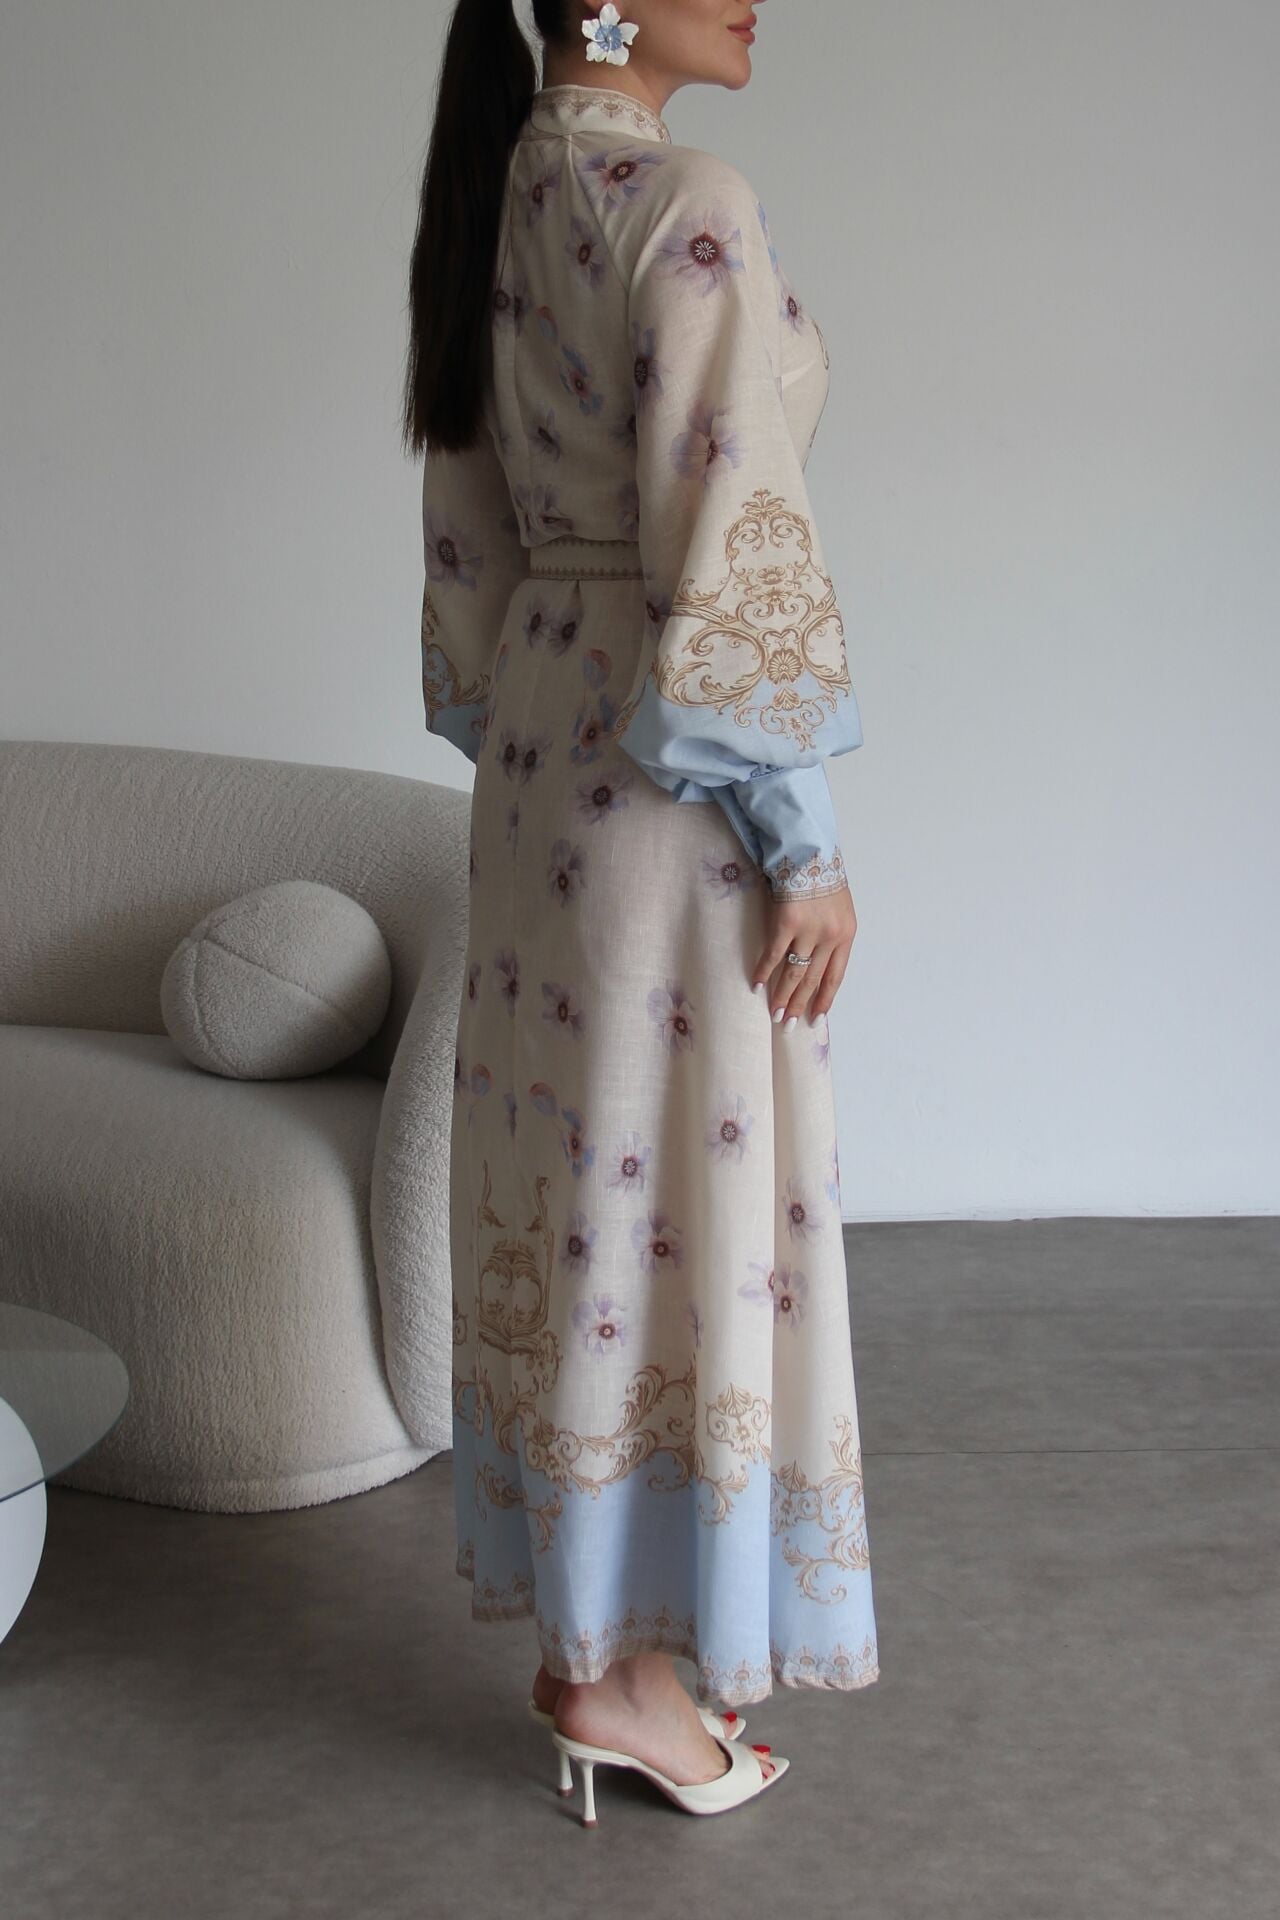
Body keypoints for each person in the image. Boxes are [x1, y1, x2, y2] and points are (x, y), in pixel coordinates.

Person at [401, 0, 879, 1822]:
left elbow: (468, 527)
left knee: (586, 1192)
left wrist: (526, 723)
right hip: (676, 773)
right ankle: (618, 1677)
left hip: (544, 755)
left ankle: (603, 1643)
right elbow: (728, 520)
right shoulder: (687, 199)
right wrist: (805, 841)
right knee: (691, 1199)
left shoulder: (499, 195)